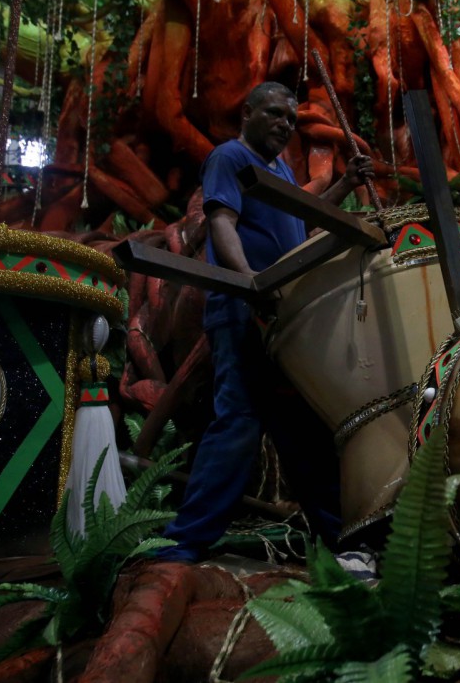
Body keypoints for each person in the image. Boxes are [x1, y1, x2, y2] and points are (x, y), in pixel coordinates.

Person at [156, 81, 375, 562]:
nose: (284, 124)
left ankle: (342, 542)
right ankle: (183, 544)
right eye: (274, 113)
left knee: (301, 427)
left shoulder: (278, 171)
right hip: (241, 309)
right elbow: (221, 223)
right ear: (247, 112)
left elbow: (303, 228)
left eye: (291, 119)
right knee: (239, 421)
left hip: (282, 318)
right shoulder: (229, 158)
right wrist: (250, 280)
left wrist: (345, 184)